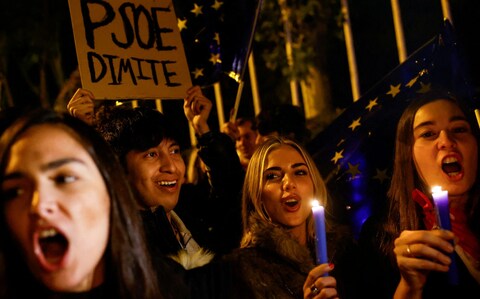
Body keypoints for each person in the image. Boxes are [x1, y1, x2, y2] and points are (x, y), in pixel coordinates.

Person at [0, 109, 177, 298]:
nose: (39, 204)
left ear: (110, 190)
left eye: (65, 179)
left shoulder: (174, 286)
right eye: (15, 191)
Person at [68, 86, 244, 260]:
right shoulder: (119, 246)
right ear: (119, 170)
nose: (171, 167)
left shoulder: (192, 216)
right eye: (151, 155)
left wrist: (204, 131)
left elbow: (231, 195)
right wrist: (82, 137)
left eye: (174, 151)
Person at [358, 90, 480, 298]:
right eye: (428, 134)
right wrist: (409, 286)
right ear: (408, 155)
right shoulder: (380, 236)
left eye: (459, 129)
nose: (447, 141)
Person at [217, 136, 359, 299]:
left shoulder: (345, 251)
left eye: (299, 172)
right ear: (257, 196)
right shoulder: (241, 271)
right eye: (272, 176)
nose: (289, 183)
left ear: (314, 186)